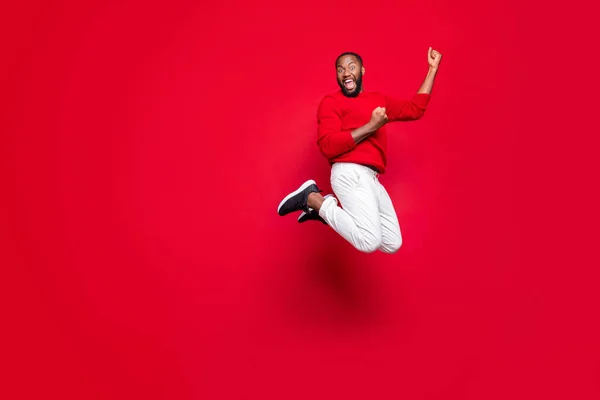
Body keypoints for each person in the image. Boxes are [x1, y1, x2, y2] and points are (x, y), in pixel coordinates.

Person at [277, 48, 442, 253]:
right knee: (369, 241)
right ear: (337, 75)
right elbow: (328, 146)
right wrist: (371, 127)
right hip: (349, 173)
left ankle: (322, 209)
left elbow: (415, 109)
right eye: (340, 69)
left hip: (371, 178)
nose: (346, 72)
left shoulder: (378, 99)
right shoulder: (331, 102)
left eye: (351, 67)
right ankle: (313, 199)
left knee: (392, 242)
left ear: (362, 71)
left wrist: (432, 69)